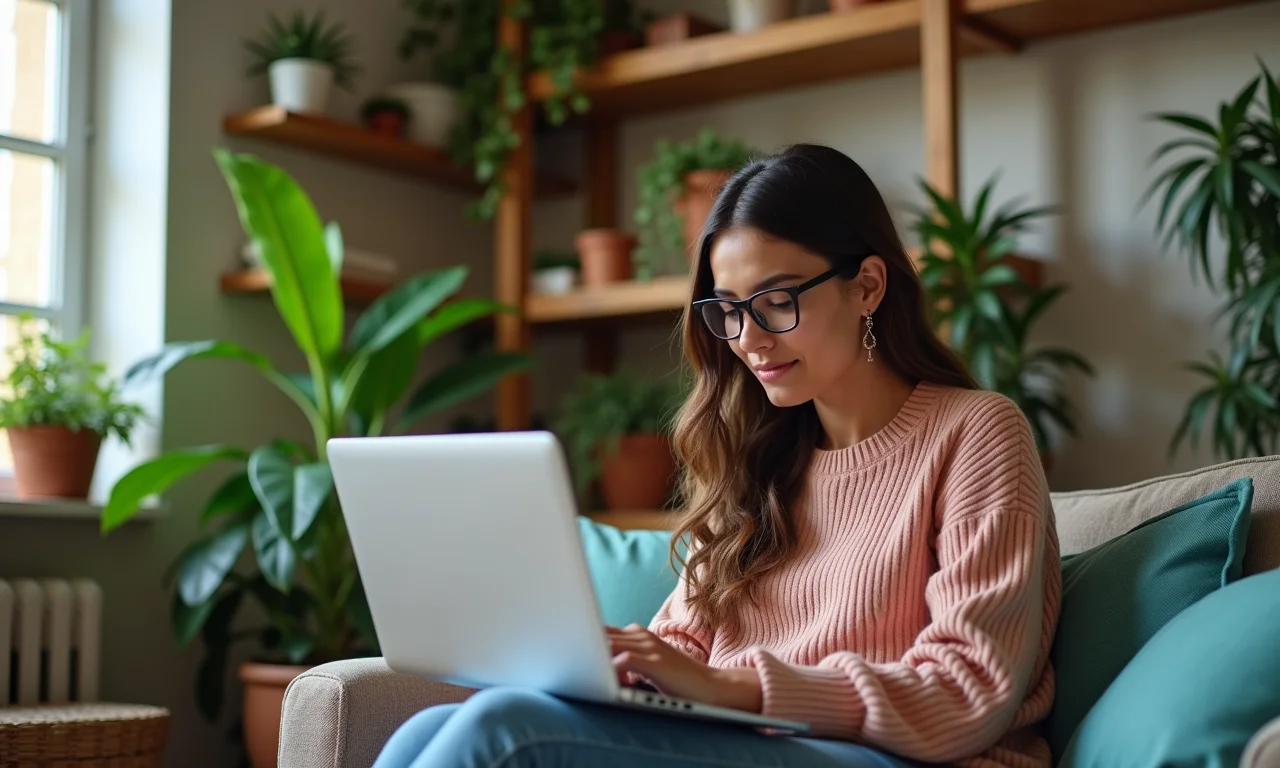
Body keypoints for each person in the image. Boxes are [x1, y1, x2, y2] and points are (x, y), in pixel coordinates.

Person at [372, 144, 1062, 768]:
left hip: (901, 758)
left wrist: (735, 687)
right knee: (422, 732)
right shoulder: (760, 454)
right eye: (729, 310)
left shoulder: (975, 432)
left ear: (869, 287)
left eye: (777, 301)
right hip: (751, 743)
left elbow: (969, 688)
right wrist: (624, 665)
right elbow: (690, 644)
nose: (750, 340)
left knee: (505, 730)